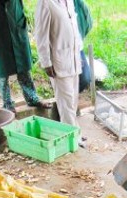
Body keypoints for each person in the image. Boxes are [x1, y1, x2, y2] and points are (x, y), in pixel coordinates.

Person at [0, 0, 50, 113]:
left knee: (23, 66)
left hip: (16, 19)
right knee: (2, 70)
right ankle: (7, 104)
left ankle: (32, 98)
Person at [34, 0, 82, 128]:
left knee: (73, 101)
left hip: (74, 60)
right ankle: (71, 138)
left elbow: (74, 28)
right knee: (66, 105)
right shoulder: (45, 3)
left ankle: (74, 133)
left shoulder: (69, 1)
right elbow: (40, 35)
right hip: (58, 62)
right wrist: (46, 62)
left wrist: (79, 50)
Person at [74, 0, 93, 93]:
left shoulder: (79, 4)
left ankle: (69, 101)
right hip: (62, 50)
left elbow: (88, 22)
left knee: (85, 78)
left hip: (77, 47)